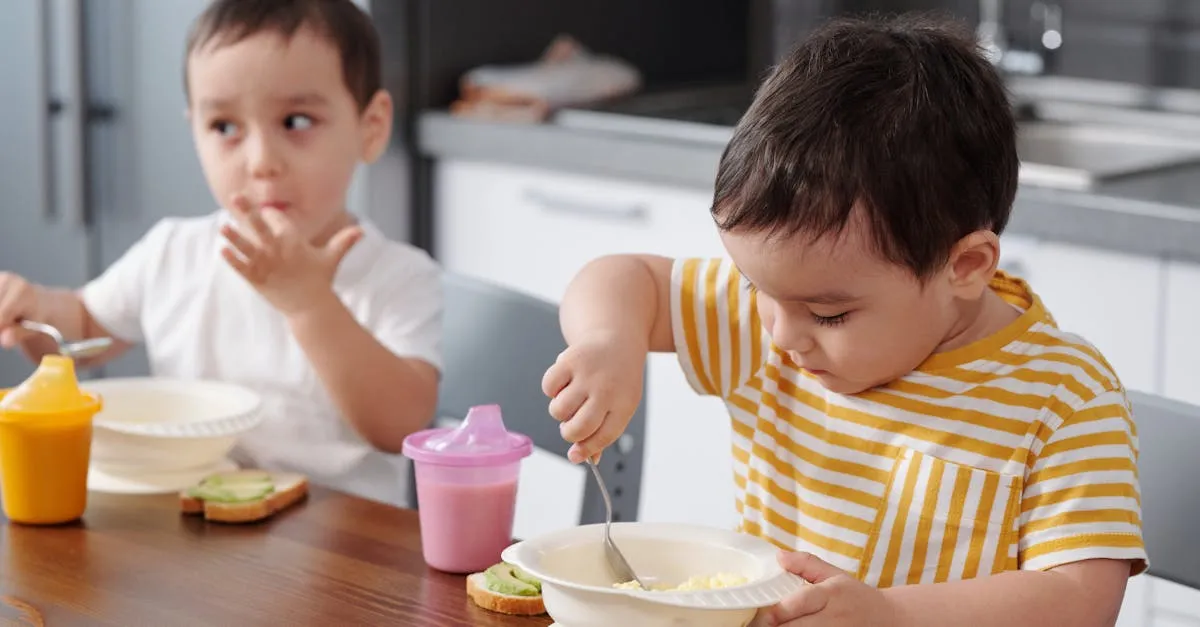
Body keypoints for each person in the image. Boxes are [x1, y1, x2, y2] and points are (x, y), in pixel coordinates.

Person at [542, 13, 1146, 627]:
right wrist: (610, 340)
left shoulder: (1064, 398)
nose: (782, 335)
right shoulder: (778, 311)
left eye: (830, 315)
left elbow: (1081, 600)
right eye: (757, 289)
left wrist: (892, 616)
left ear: (964, 266)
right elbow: (625, 277)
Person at [0, 0, 442, 507]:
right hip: (191, 535)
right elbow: (78, 330)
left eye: (296, 121)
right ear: (195, 131)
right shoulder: (174, 252)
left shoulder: (400, 276)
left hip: (341, 560)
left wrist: (307, 304)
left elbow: (403, 426)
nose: (261, 162)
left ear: (371, 126)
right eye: (225, 128)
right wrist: (32, 310)